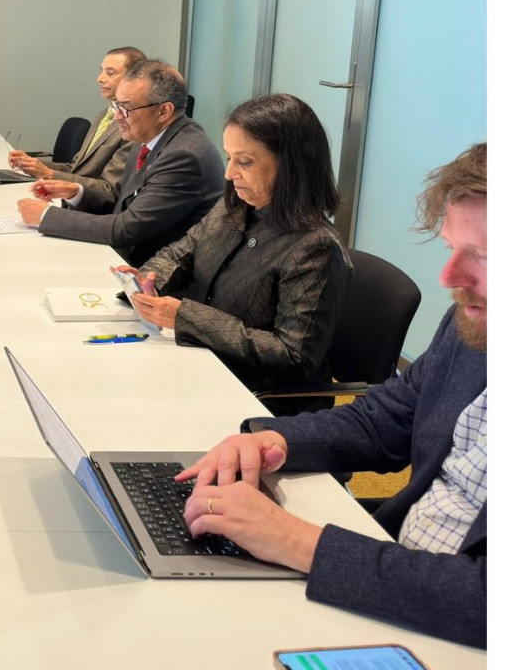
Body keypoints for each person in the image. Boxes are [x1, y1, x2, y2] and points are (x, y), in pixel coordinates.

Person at [177, 143, 487, 648]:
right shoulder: (475, 322)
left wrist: (295, 540)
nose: (450, 279)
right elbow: (388, 417)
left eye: (486, 256)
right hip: (396, 574)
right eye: (453, 248)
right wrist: (274, 440)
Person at [119, 93, 351, 396]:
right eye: (229, 158)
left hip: (259, 397)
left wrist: (186, 317)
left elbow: (293, 357)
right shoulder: (234, 208)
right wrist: (147, 281)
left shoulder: (315, 247)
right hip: (204, 364)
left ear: (291, 166)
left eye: (245, 162)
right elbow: (179, 253)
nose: (229, 174)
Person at [16, 60, 222, 266]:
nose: (117, 116)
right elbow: (120, 199)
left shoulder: (184, 156)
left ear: (163, 111)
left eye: (126, 108)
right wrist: (77, 193)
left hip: (151, 269)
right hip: (124, 254)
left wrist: (46, 216)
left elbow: (128, 229)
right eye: (116, 104)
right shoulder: (146, 135)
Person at [7, 46, 146, 198]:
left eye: (110, 73)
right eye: (101, 71)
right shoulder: (103, 116)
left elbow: (109, 189)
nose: (100, 78)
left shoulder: (133, 127)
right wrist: (33, 165)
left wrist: (48, 174)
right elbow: (76, 169)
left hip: (90, 205)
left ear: (134, 78)